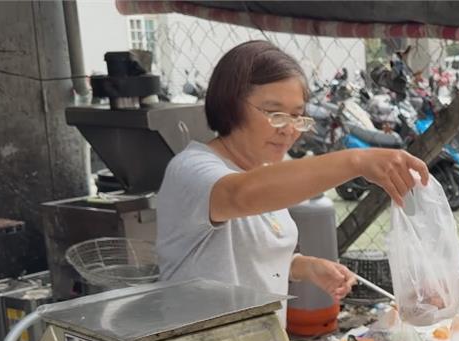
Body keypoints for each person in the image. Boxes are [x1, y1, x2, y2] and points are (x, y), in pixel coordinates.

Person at [156, 41, 428, 324]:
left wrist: (305, 267)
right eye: (274, 113)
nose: (288, 129)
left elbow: (245, 257)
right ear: (231, 105)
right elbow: (240, 195)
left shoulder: (269, 173)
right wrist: (355, 161)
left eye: (297, 116)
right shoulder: (190, 170)